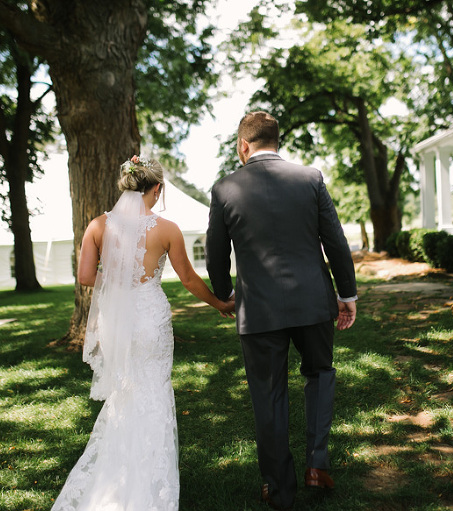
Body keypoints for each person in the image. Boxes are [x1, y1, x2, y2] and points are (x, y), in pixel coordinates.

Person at [52, 155, 234, 511]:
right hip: (150, 318)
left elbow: (86, 276)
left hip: (116, 321)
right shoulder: (167, 229)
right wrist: (218, 303)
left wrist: (117, 280)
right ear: (157, 188)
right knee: (154, 391)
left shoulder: (97, 226)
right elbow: (188, 278)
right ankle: (150, 483)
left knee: (124, 394)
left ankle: (116, 480)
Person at [205, 111, 358, 510]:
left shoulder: (224, 188)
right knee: (320, 374)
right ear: (277, 141)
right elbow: (336, 241)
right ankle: (317, 465)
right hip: (313, 302)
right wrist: (347, 294)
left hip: (258, 310)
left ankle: (279, 489)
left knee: (268, 394)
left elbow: (216, 253)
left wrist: (225, 294)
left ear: (244, 145)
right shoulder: (310, 178)